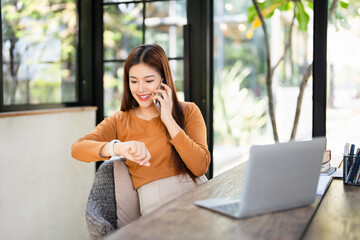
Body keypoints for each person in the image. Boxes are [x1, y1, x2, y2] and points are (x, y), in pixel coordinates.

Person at [71, 43, 211, 227]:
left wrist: (168, 120)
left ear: (163, 79)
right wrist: (117, 147)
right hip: (158, 205)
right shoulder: (120, 120)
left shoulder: (188, 111)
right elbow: (77, 149)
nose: (140, 89)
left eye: (149, 80)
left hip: (201, 195)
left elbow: (200, 167)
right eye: (134, 81)